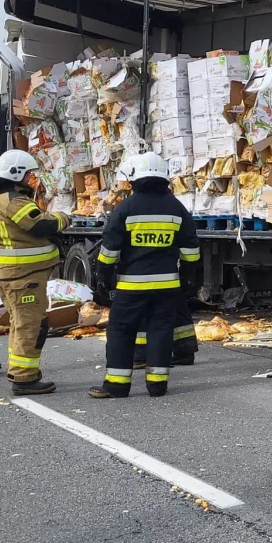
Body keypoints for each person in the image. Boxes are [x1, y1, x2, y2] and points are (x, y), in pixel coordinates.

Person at [90, 152, 199, 398]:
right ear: (165, 178)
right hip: (167, 286)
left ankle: (116, 385)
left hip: (131, 287)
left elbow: (110, 249)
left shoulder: (126, 208)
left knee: (121, 330)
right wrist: (186, 278)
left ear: (134, 178)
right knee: (161, 330)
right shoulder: (176, 207)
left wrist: (103, 278)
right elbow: (191, 250)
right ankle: (157, 385)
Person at [0, 150, 70, 395]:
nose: (32, 178)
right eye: (29, 174)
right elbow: (40, 224)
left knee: (21, 323)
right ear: (16, 173)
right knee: (30, 324)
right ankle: (24, 378)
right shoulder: (12, 200)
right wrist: (63, 218)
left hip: (10, 274)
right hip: (23, 276)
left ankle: (19, 370)